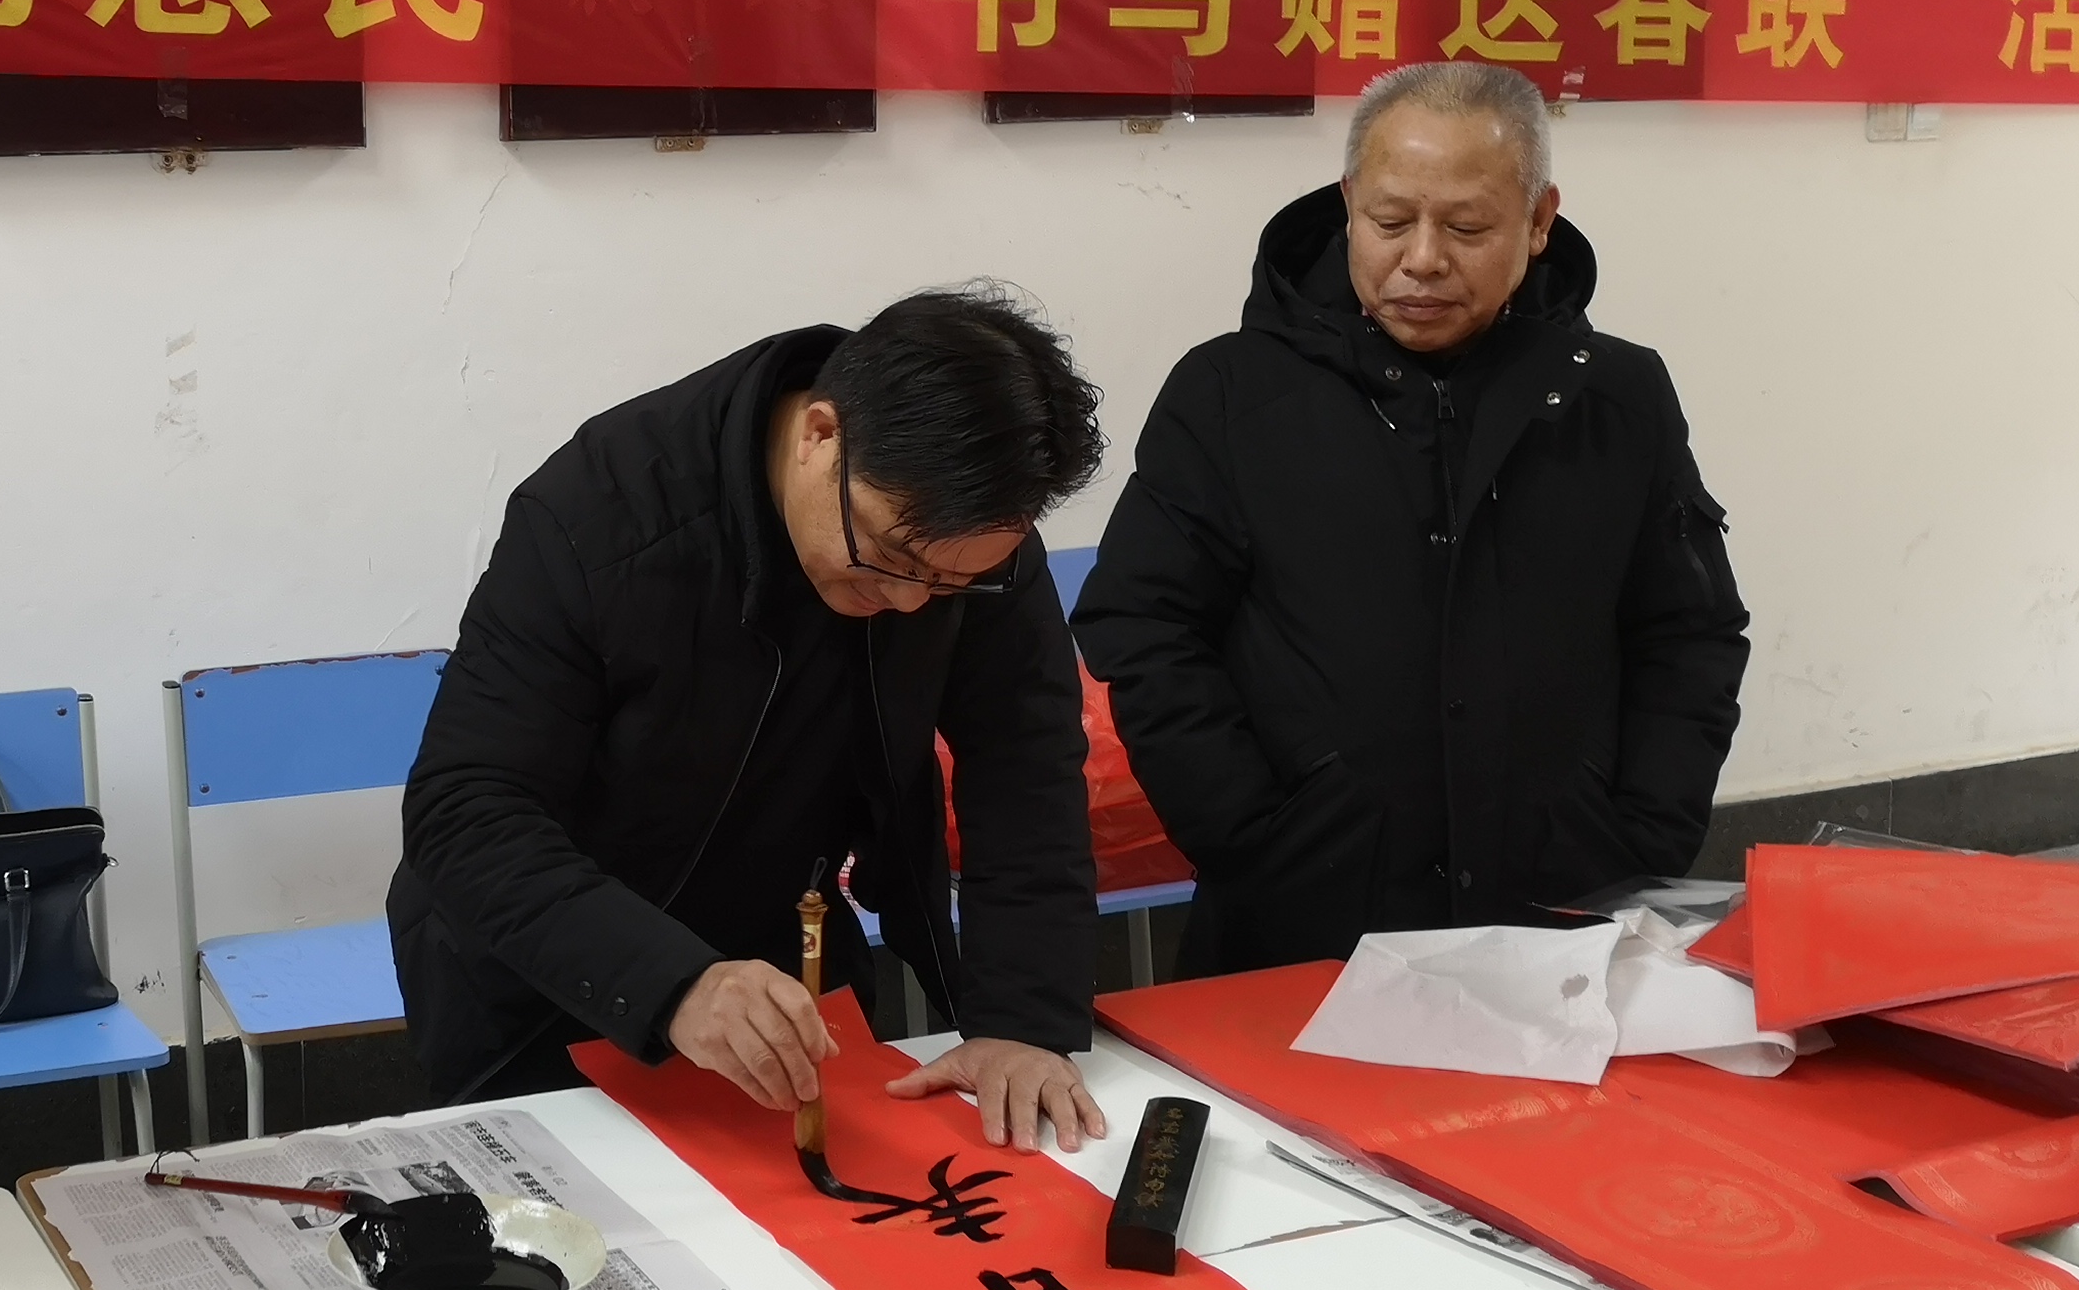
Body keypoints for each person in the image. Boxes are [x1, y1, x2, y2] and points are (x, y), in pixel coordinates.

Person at [392, 286, 1114, 1152]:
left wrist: (1023, 1021)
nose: (910, 601)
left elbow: (1024, 762)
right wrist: (673, 982)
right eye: (886, 559)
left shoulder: (965, 538)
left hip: (787, 951)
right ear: (820, 435)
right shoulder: (599, 514)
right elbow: (466, 809)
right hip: (550, 970)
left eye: (947, 584)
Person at [1074, 62, 1750, 976]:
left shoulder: (1616, 396)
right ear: (1349, 203)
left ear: (1540, 221)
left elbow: (1689, 631)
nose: (1423, 259)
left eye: (1466, 228)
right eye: (1390, 221)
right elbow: (1143, 623)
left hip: (1563, 914)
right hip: (1300, 919)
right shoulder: (1232, 394)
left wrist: (1644, 834)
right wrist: (1250, 834)